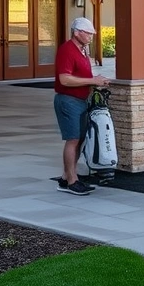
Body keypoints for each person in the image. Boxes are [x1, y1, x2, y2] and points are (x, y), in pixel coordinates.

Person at [53, 17, 110, 195]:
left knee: (79, 140)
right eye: (87, 33)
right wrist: (92, 80)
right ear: (77, 32)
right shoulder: (67, 50)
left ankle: (66, 177)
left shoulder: (83, 50)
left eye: (92, 33)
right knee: (73, 140)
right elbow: (65, 79)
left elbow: (80, 76)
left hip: (80, 100)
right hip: (68, 100)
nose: (91, 36)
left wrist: (96, 82)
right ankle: (72, 181)